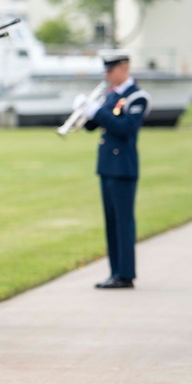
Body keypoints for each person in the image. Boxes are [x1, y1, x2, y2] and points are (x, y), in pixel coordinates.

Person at [81, 50, 151, 289]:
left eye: (111, 70)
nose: (107, 75)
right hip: (107, 167)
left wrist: (97, 112)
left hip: (123, 167)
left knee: (123, 222)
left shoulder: (137, 97)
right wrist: (86, 109)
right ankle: (115, 272)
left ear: (123, 68)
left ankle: (126, 273)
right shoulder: (111, 95)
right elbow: (92, 126)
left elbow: (124, 129)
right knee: (111, 223)